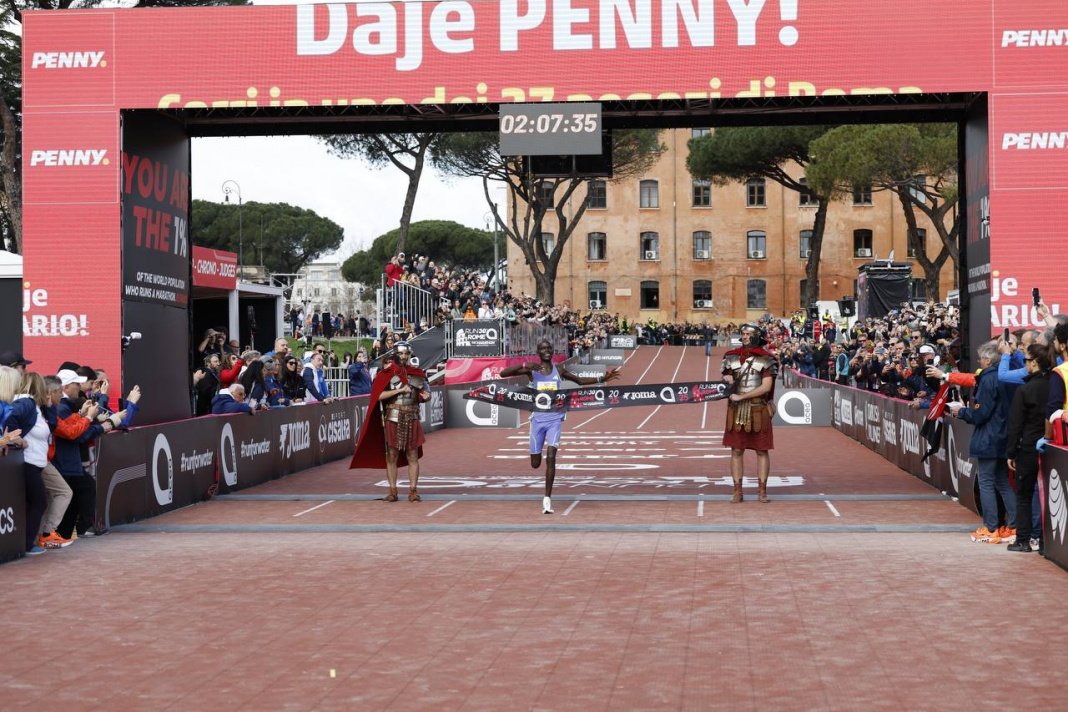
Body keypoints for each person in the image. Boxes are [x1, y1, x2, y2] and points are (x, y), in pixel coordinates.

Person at [500, 339, 621, 514]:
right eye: (543, 348)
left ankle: (547, 498)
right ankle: (540, 469)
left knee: (551, 457)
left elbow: (579, 381)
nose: (547, 350)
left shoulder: (559, 370)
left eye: (549, 348)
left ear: (552, 351)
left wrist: (602, 378)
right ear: (538, 352)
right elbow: (504, 373)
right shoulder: (532, 370)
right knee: (535, 463)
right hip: (537, 421)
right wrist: (526, 364)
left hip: (555, 419)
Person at [951, 340, 1016, 544]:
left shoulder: (988, 379)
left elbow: (981, 414)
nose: (978, 361)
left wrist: (961, 411)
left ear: (987, 360)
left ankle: (991, 527)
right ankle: (1013, 526)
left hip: (990, 437)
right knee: (1002, 482)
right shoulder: (1004, 376)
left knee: (987, 482)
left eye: (980, 358)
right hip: (1002, 434)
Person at [350, 342, 430, 502]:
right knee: (391, 455)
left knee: (412, 455)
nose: (404, 357)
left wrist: (426, 395)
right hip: (393, 416)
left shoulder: (418, 374)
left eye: (406, 354)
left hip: (412, 416)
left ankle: (413, 491)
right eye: (401, 354)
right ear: (395, 354)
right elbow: (377, 396)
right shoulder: (385, 374)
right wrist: (400, 390)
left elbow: (425, 391)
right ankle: (393, 491)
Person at [722, 323, 776, 504]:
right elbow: (726, 377)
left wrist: (742, 396)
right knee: (736, 450)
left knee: (762, 450)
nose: (744, 336)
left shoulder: (767, 359)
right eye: (742, 333)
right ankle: (738, 491)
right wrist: (726, 378)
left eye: (747, 334)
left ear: (756, 336)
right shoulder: (731, 357)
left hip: (758, 409)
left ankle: (762, 491)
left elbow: (766, 387)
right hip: (736, 411)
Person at [1005, 342, 1051, 553]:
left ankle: (1023, 540)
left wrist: (1011, 452)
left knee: (1024, 495)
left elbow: (1016, 424)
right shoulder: (1055, 385)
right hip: (1053, 447)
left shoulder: (1025, 389)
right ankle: (1045, 543)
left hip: (1029, 449)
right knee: (1049, 496)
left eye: (1026, 360)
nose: (1025, 364)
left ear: (1034, 362)